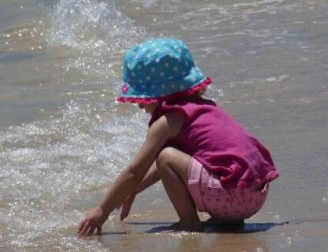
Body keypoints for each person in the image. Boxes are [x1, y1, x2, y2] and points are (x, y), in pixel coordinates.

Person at [78, 38, 278, 236]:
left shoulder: (169, 120)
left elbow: (135, 171)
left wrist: (102, 210)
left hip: (230, 197)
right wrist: (133, 191)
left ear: (156, 95)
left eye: (141, 99)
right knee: (171, 156)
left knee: (166, 155)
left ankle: (189, 222)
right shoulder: (205, 108)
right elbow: (166, 166)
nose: (139, 105)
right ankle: (229, 220)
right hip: (255, 195)